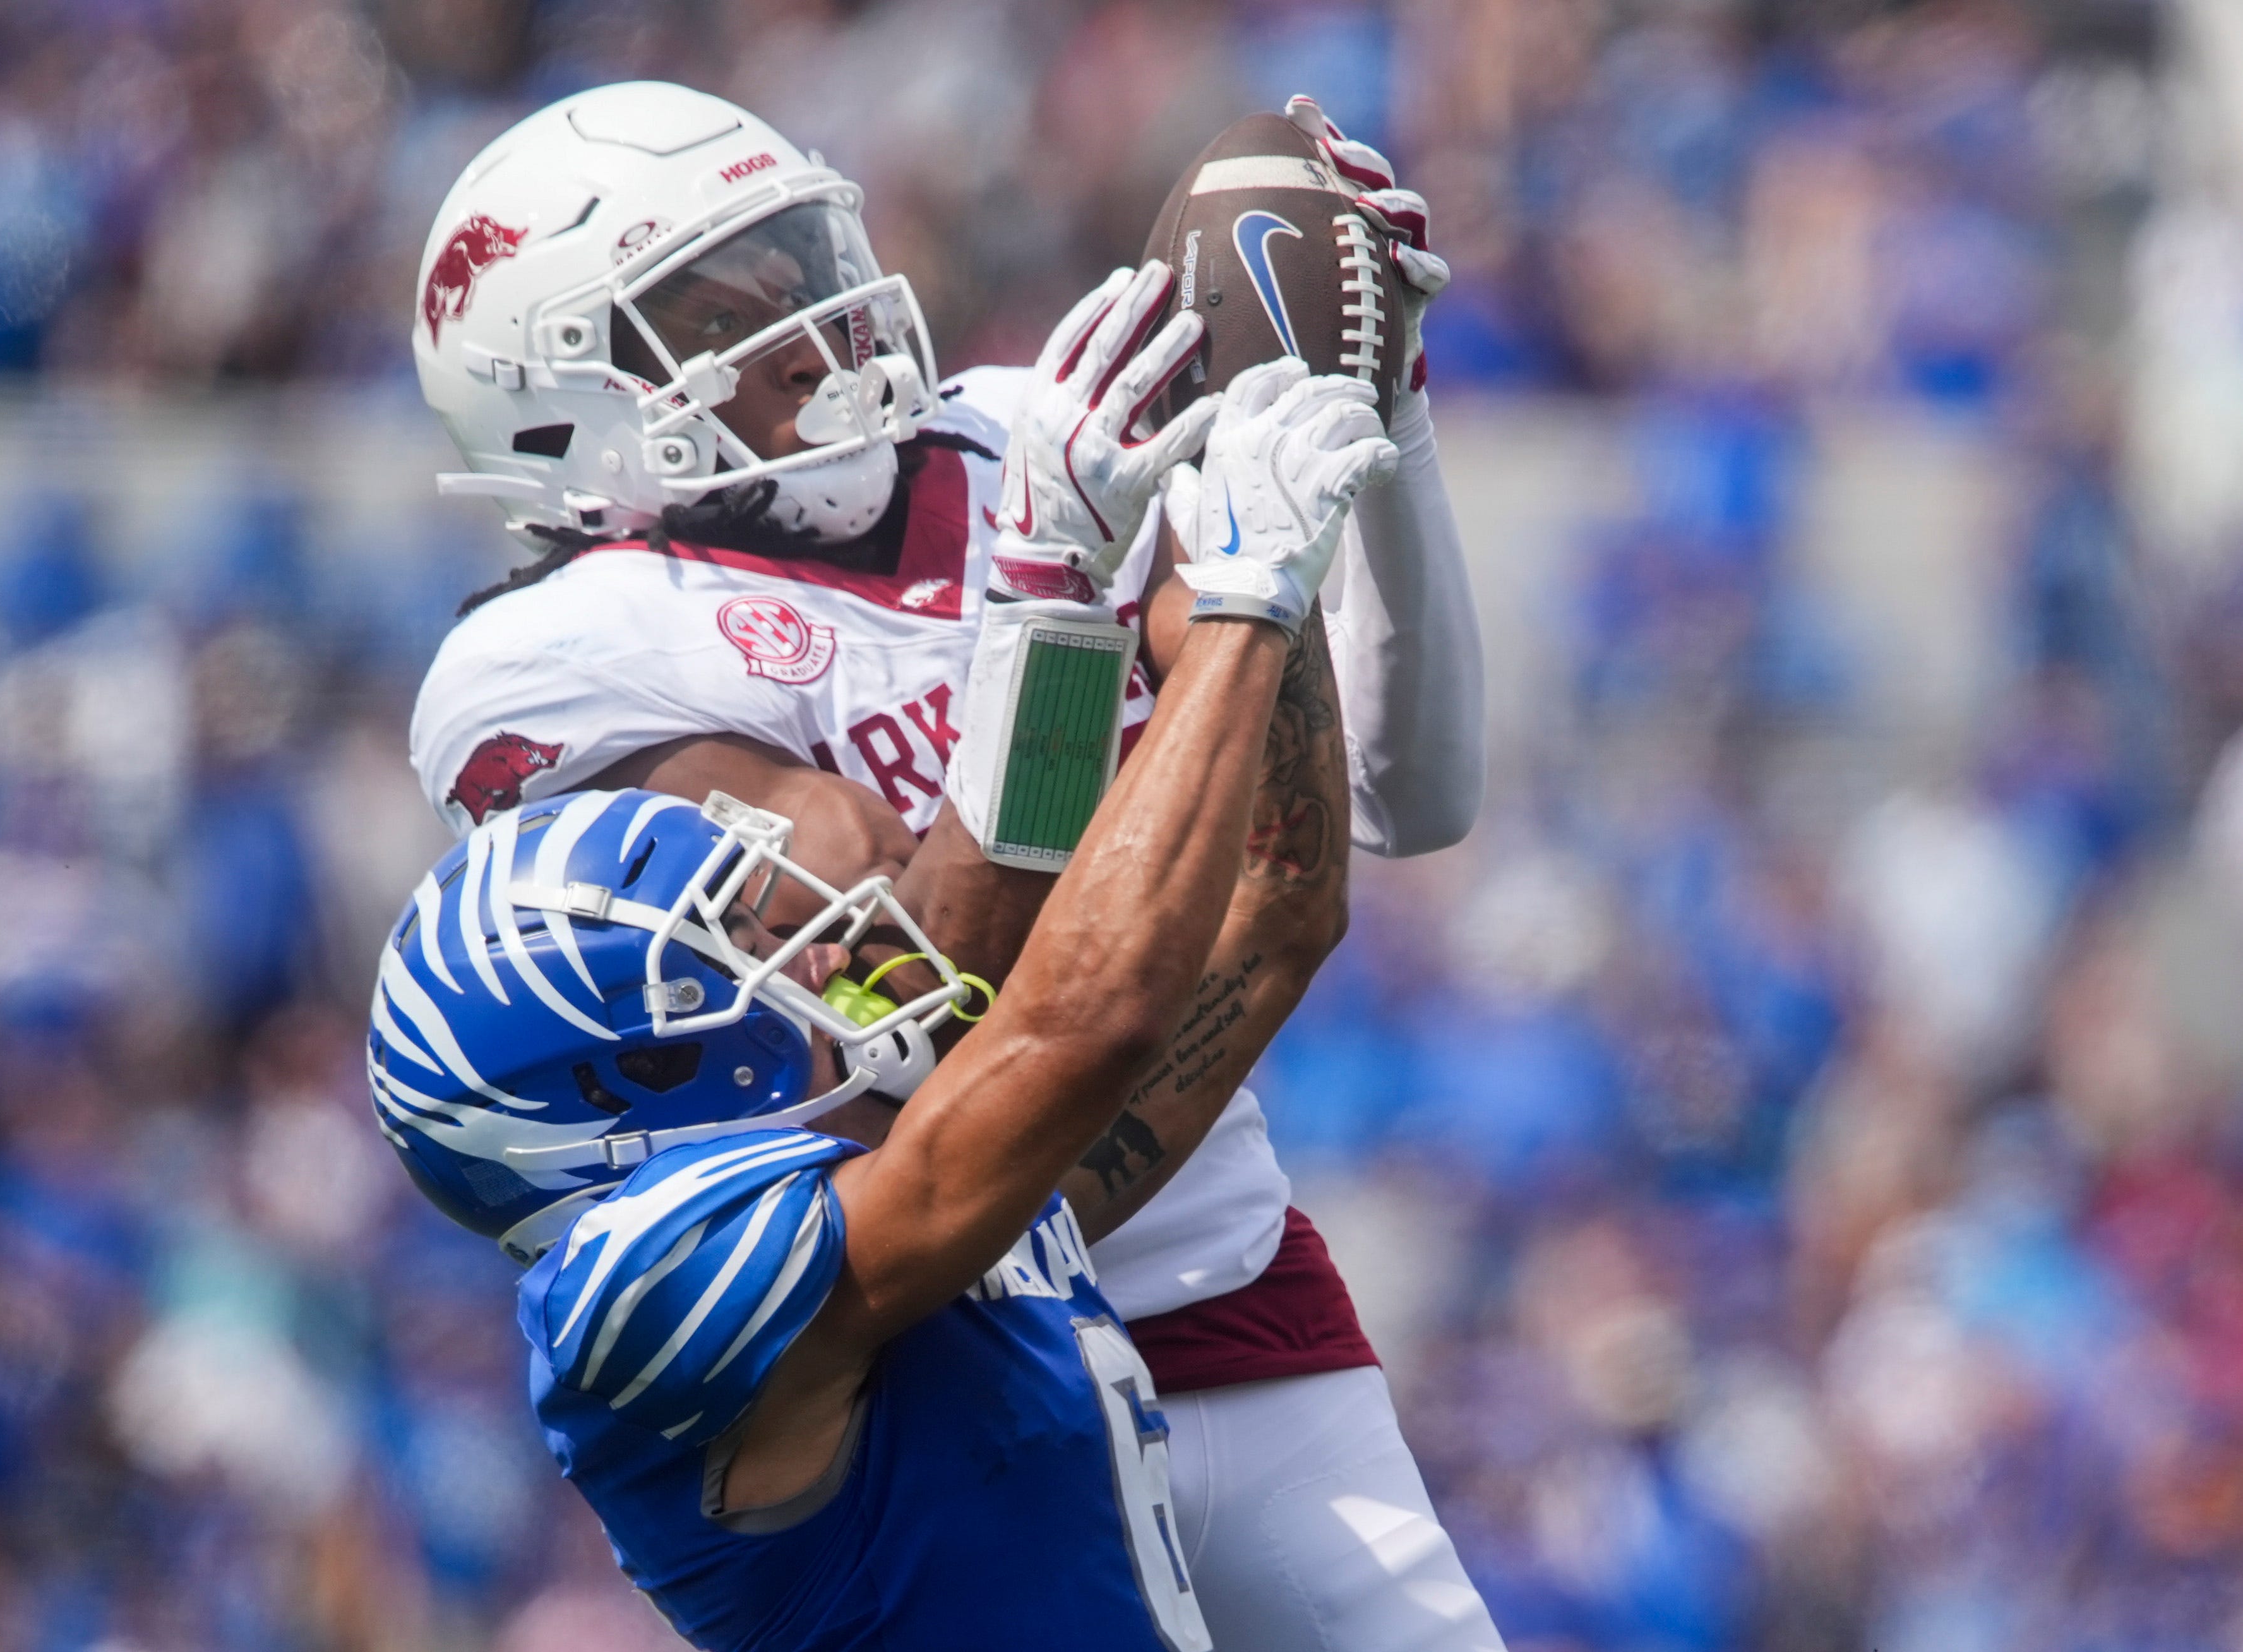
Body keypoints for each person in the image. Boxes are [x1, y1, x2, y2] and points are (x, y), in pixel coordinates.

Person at [405, 81, 1503, 1649]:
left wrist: (1374, 425)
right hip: (913, 1356)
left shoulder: (1014, 435)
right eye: (724, 308)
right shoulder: (549, 662)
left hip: (1231, 1280)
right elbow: (901, 999)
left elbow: (1396, 795)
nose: (812, 325)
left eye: (799, 260)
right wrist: (1047, 606)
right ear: (562, 405)